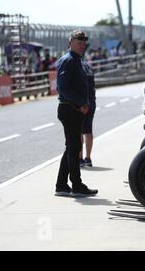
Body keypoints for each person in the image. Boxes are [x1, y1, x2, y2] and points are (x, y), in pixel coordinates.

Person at [55, 30, 98, 197]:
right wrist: (81, 103)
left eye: (84, 42)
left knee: (71, 148)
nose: (82, 45)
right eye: (79, 41)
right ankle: (77, 185)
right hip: (70, 109)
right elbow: (63, 88)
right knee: (74, 148)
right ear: (70, 42)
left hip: (74, 109)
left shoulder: (76, 60)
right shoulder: (69, 61)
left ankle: (61, 185)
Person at [80, 59, 96, 167]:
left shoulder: (76, 67)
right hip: (91, 102)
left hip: (81, 104)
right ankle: (88, 158)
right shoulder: (89, 67)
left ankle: (80, 158)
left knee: (79, 132)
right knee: (88, 131)